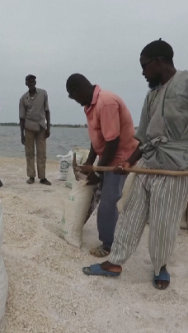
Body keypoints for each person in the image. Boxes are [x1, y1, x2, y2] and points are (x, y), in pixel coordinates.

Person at [81, 39, 188, 290]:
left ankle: (160, 266)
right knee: (131, 213)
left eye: (144, 66)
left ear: (158, 62)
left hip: (176, 165)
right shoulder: (151, 95)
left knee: (164, 220)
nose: (142, 73)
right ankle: (116, 261)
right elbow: (144, 137)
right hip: (149, 163)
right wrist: (130, 162)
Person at [66, 73, 138, 258]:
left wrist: (98, 171)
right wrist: (90, 162)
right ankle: (83, 227)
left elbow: (112, 142)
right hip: (107, 155)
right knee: (94, 192)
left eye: (72, 97)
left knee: (108, 200)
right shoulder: (90, 105)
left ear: (77, 90)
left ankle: (108, 243)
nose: (73, 101)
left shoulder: (105, 103)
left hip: (120, 158)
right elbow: (97, 137)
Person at [19, 74, 52, 185]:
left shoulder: (43, 94)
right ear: (26, 84)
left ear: (35, 82)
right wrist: (22, 134)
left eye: (33, 81)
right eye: (29, 82)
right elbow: (22, 117)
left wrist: (48, 127)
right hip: (28, 127)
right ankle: (31, 176)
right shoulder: (23, 98)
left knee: (42, 153)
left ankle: (42, 177)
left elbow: (47, 111)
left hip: (41, 127)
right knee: (29, 153)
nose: (32, 83)